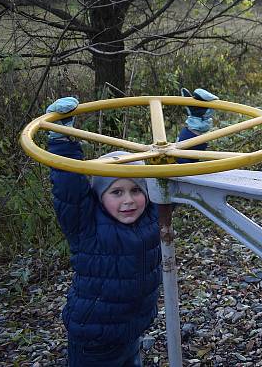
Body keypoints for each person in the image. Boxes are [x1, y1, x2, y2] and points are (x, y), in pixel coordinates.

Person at [45, 88, 217, 366]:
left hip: (131, 329)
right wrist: (62, 138)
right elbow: (68, 186)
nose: (128, 201)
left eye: (136, 191)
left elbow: (174, 173)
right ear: (99, 197)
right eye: (116, 193)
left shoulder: (152, 214)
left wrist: (195, 129)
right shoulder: (86, 225)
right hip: (93, 339)